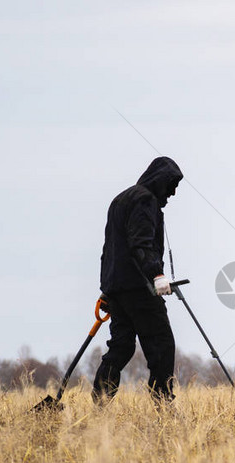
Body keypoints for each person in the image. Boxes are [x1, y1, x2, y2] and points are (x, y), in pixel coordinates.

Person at [93, 156, 183, 404]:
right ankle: (162, 404)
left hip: (117, 289)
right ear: (160, 180)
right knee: (162, 345)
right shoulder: (145, 200)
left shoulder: (120, 199)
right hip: (138, 288)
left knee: (121, 347)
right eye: (171, 185)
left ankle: (100, 403)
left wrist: (107, 289)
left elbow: (110, 249)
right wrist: (157, 274)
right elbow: (140, 243)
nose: (173, 192)